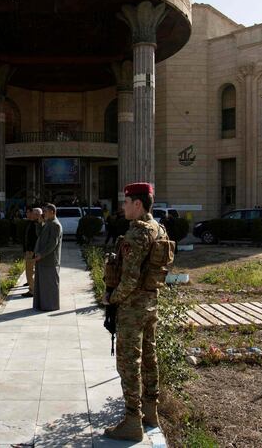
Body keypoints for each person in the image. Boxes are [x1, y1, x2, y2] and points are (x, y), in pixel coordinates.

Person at [103, 182, 171, 441]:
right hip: (150, 302)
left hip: (132, 306)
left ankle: (133, 421)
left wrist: (111, 298)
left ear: (138, 204)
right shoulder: (158, 228)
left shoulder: (136, 234)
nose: (123, 207)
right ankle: (151, 411)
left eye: (126, 202)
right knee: (149, 356)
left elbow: (129, 280)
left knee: (129, 362)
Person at [33, 203, 62, 311]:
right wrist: (39, 224)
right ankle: (43, 305)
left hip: (49, 260)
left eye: (45, 211)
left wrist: (41, 254)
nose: (43, 213)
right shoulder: (48, 223)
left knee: (49, 285)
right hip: (42, 259)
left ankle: (51, 306)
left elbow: (52, 244)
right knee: (42, 285)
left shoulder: (55, 225)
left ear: (52, 212)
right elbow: (40, 236)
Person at [22, 207, 42, 297]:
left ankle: (33, 290)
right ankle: (33, 288)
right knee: (30, 271)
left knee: (30, 271)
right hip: (29, 251)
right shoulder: (32, 222)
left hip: (32, 251)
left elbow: (36, 239)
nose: (29, 214)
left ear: (37, 215)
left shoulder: (38, 224)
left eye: (32, 213)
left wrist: (32, 251)